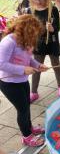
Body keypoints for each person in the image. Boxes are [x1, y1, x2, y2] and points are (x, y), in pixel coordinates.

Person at [0, 14, 47, 146]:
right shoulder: (8, 42)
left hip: (22, 80)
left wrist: (38, 65)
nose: (35, 37)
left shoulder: (25, 41)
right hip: (8, 83)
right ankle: (26, 136)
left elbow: (29, 58)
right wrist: (23, 69)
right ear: (24, 30)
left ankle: (29, 128)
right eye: (33, 34)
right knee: (22, 109)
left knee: (26, 106)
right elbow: (1, 64)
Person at [27, 0, 60, 102]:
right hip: (39, 44)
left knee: (56, 65)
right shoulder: (31, 11)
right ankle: (33, 92)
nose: (38, 1)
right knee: (37, 67)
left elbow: (57, 27)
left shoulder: (52, 9)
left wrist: (52, 29)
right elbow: (29, 28)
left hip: (52, 43)